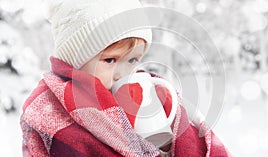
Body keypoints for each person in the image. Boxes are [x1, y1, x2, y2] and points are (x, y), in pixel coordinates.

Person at [20, 0, 232, 156]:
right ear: (75, 60)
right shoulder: (46, 110)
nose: (123, 73)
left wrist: (166, 146)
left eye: (132, 60)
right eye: (110, 60)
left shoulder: (149, 92)